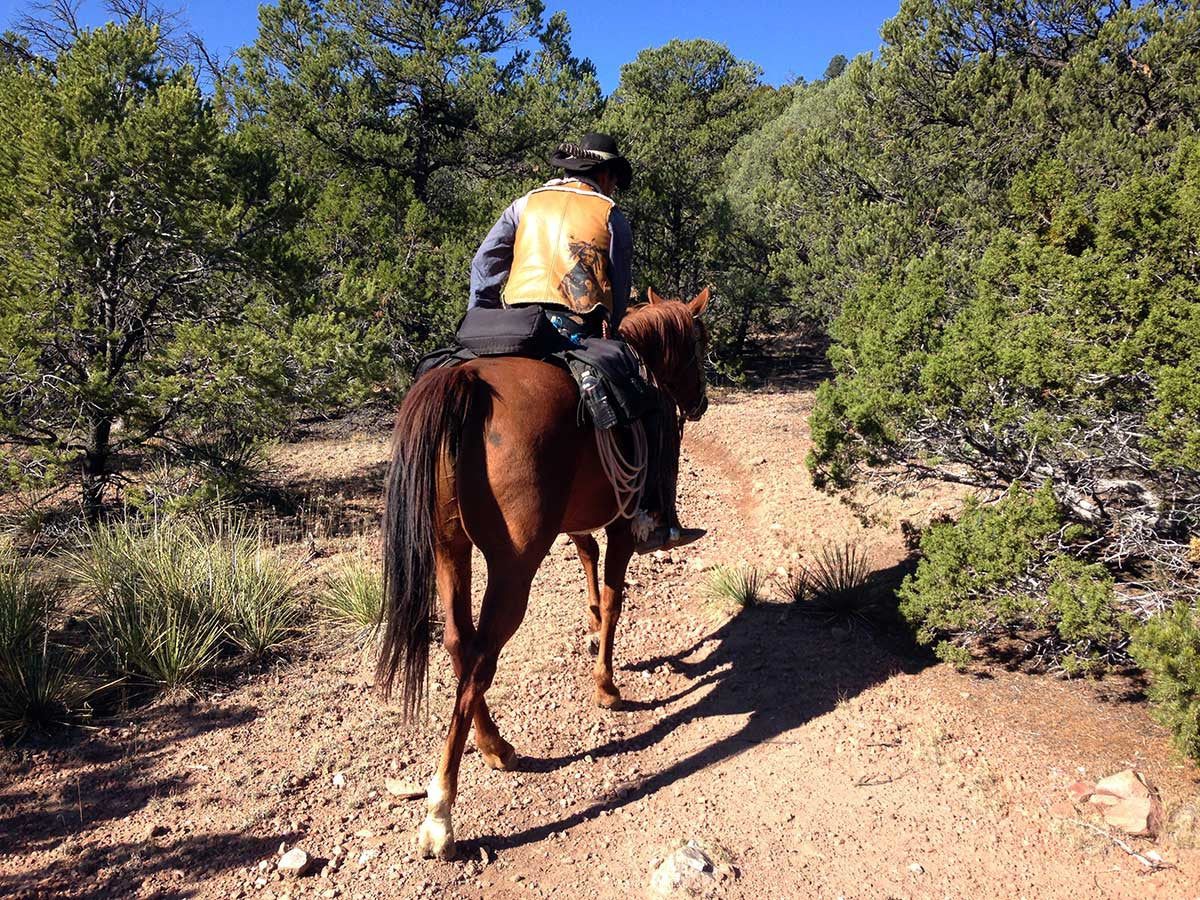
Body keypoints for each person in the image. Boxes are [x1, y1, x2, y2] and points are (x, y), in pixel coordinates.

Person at [468, 133, 703, 552]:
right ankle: (653, 519)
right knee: (652, 404)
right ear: (606, 174)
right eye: (614, 179)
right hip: (571, 328)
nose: (613, 187)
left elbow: (485, 261)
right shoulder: (609, 212)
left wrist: (482, 311)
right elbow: (618, 281)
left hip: (514, 325)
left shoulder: (524, 204)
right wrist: (609, 327)